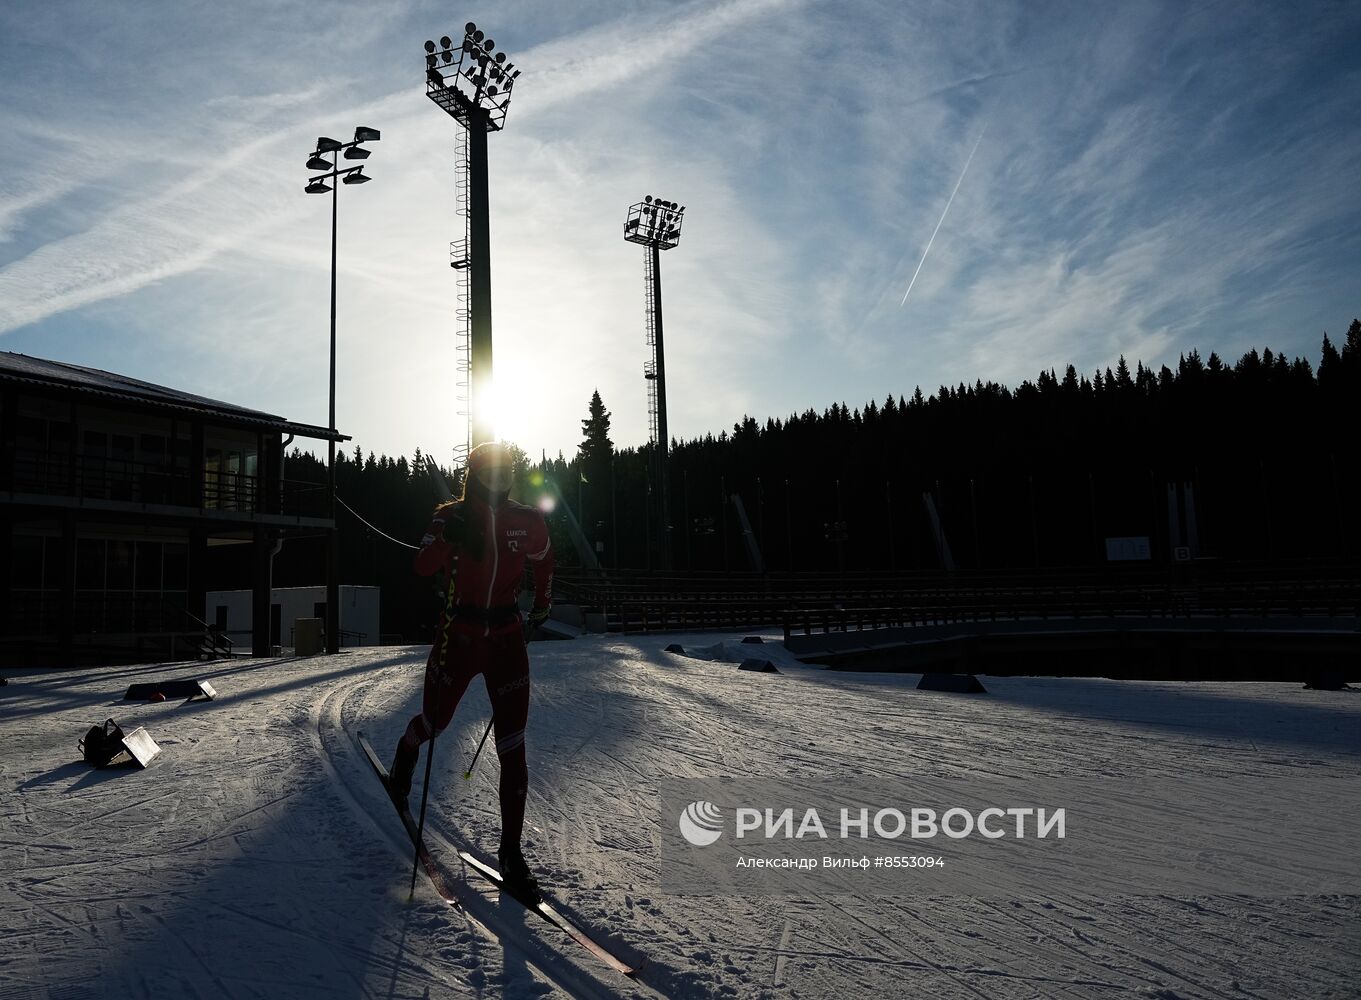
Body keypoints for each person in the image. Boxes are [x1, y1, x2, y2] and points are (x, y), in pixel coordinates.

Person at [390, 440, 553, 900]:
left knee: (513, 748)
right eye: (489, 471)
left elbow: (545, 561)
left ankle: (511, 853)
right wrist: (446, 537)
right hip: (458, 634)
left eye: (506, 471)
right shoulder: (450, 516)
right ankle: (407, 748)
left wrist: (542, 605)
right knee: (435, 722)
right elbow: (421, 566)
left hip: (505, 637)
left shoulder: (529, 520)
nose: (498, 479)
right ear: (475, 473)